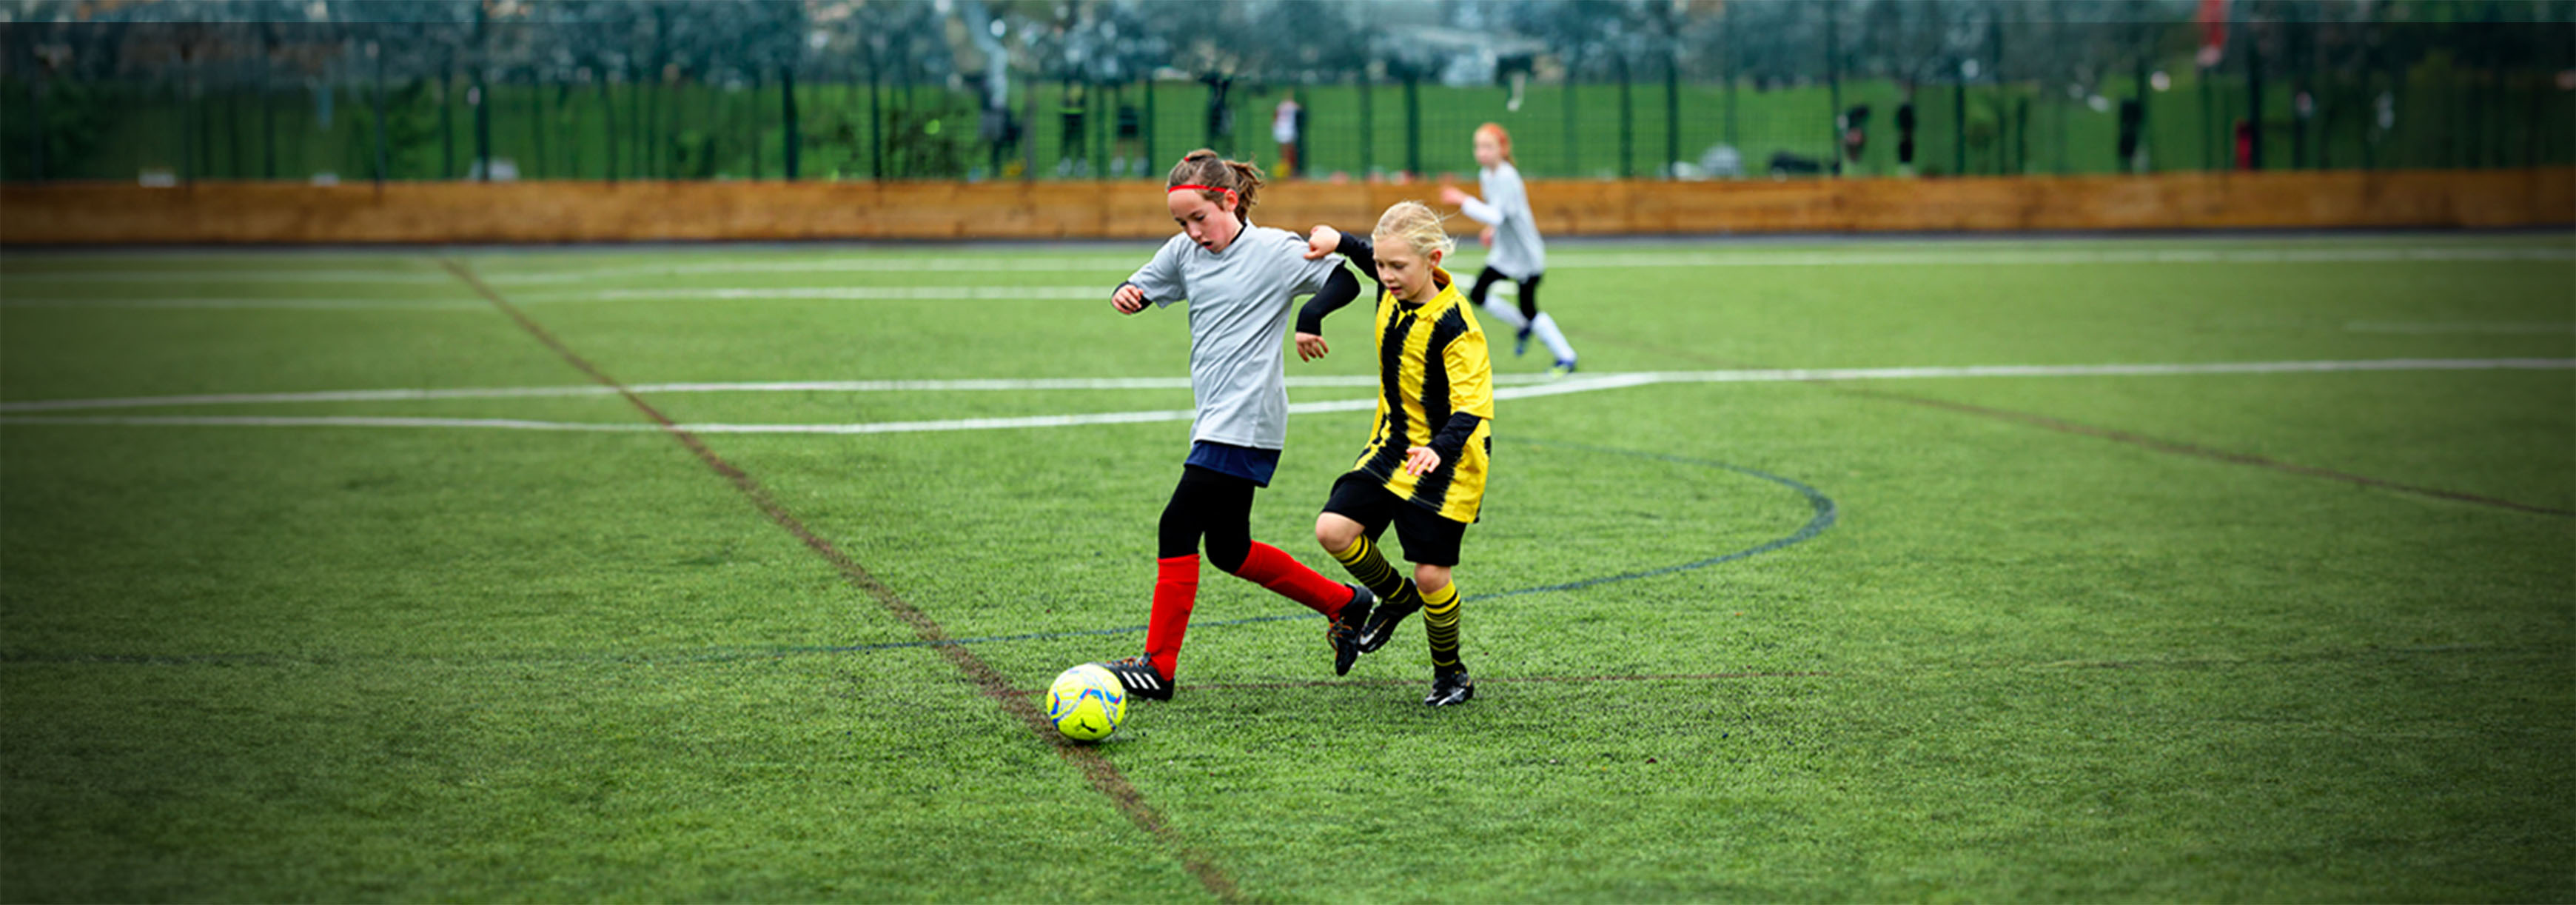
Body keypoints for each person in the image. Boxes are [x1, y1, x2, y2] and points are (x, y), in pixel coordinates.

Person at [1096, 149, 1379, 702]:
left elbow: (1344, 281)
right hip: (1217, 417)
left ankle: (1158, 667)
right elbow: (1139, 284)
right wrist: (1126, 294)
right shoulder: (1184, 252)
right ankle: (1345, 604)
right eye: (1181, 222)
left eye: (1199, 218)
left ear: (1228, 200)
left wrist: (1309, 316)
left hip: (1246, 417)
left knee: (1176, 524)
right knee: (1228, 548)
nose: (1191, 231)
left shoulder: (1273, 250)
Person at [1292, 201, 1494, 707]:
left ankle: (1451, 675)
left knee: (1432, 575)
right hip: (1391, 446)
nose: (1386, 276)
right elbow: (1365, 255)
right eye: (1382, 266)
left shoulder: (1456, 326)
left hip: (1448, 460)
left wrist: (1437, 451)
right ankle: (1396, 598)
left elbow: (1472, 409)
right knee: (1333, 531)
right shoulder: (1391, 279)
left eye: (1398, 267)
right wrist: (1337, 237)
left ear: (1434, 258)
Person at [1438, 122, 1577, 379]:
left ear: (1502, 149)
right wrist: (1490, 230)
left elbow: (1498, 214)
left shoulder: (1507, 176)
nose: (1482, 152)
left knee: (1529, 308)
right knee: (1479, 294)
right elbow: (1499, 215)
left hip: (1525, 255)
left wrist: (1463, 200)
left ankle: (1566, 357)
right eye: (1478, 147)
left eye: (1488, 147)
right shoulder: (1486, 175)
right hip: (1505, 253)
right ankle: (1523, 326)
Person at [1272, 91, 1302, 178]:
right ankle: (1288, 171)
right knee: (1290, 152)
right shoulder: (1291, 105)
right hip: (1288, 130)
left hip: (1281, 130)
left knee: (1284, 152)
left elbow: (1275, 116)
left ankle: (1286, 170)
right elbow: (1300, 108)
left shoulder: (1280, 106)